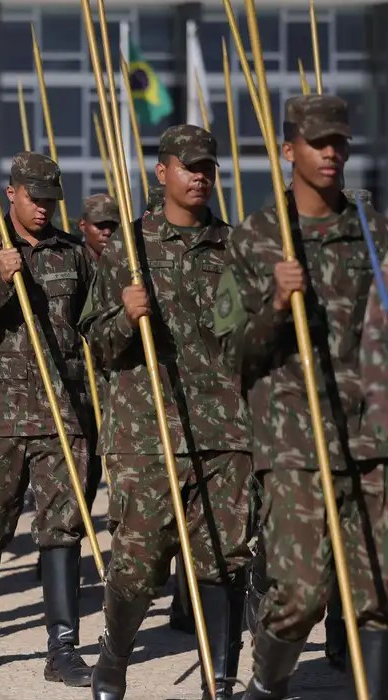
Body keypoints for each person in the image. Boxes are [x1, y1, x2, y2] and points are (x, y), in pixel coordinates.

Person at [214, 95, 388, 699]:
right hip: (292, 439)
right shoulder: (257, 237)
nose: (331, 153)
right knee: (300, 594)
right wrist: (277, 307)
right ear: (288, 150)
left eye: (339, 141)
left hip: (369, 438)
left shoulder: (371, 231)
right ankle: (266, 684)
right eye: (317, 142)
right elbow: (230, 352)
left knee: (377, 593)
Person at [81, 125, 252, 700]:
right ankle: (114, 657)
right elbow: (97, 347)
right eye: (189, 166)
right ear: (163, 173)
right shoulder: (128, 248)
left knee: (225, 559)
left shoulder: (234, 246)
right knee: (136, 561)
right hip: (146, 429)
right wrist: (123, 316)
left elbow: (249, 339)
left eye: (209, 167)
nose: (201, 175)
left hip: (224, 429)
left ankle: (219, 676)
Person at [0, 152, 95, 683]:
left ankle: (62, 646)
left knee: (63, 528)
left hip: (61, 411)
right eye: (36, 199)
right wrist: (0, 285)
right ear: (12, 194)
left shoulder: (71, 253)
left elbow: (92, 324)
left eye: (52, 200)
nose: (44, 210)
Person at [78, 194, 119, 262]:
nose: (107, 232)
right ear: (83, 226)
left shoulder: (128, 262)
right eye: (100, 225)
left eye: (113, 225)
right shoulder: (72, 261)